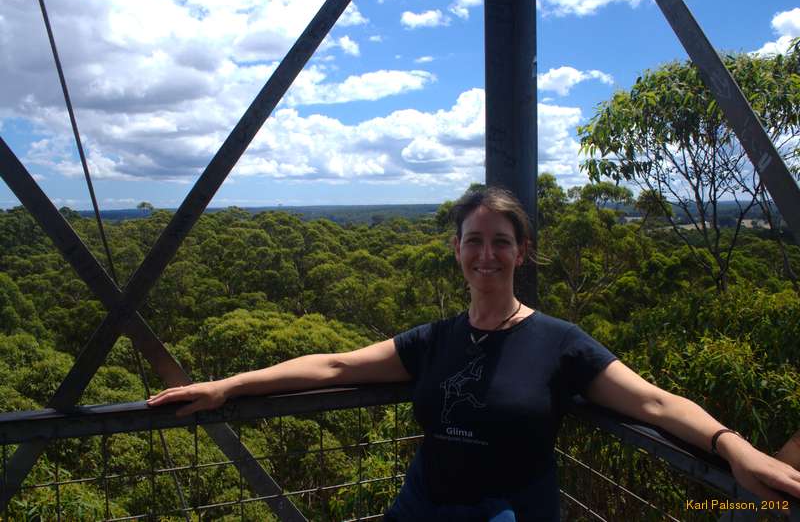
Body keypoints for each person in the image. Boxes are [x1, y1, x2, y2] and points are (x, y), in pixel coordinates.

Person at [148, 187, 800, 521]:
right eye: (474, 240)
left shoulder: (559, 343)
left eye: (501, 241)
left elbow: (654, 402)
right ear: (457, 249)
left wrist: (734, 448)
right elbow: (336, 365)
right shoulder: (434, 339)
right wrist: (228, 386)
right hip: (422, 505)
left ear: (522, 252)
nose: (487, 254)